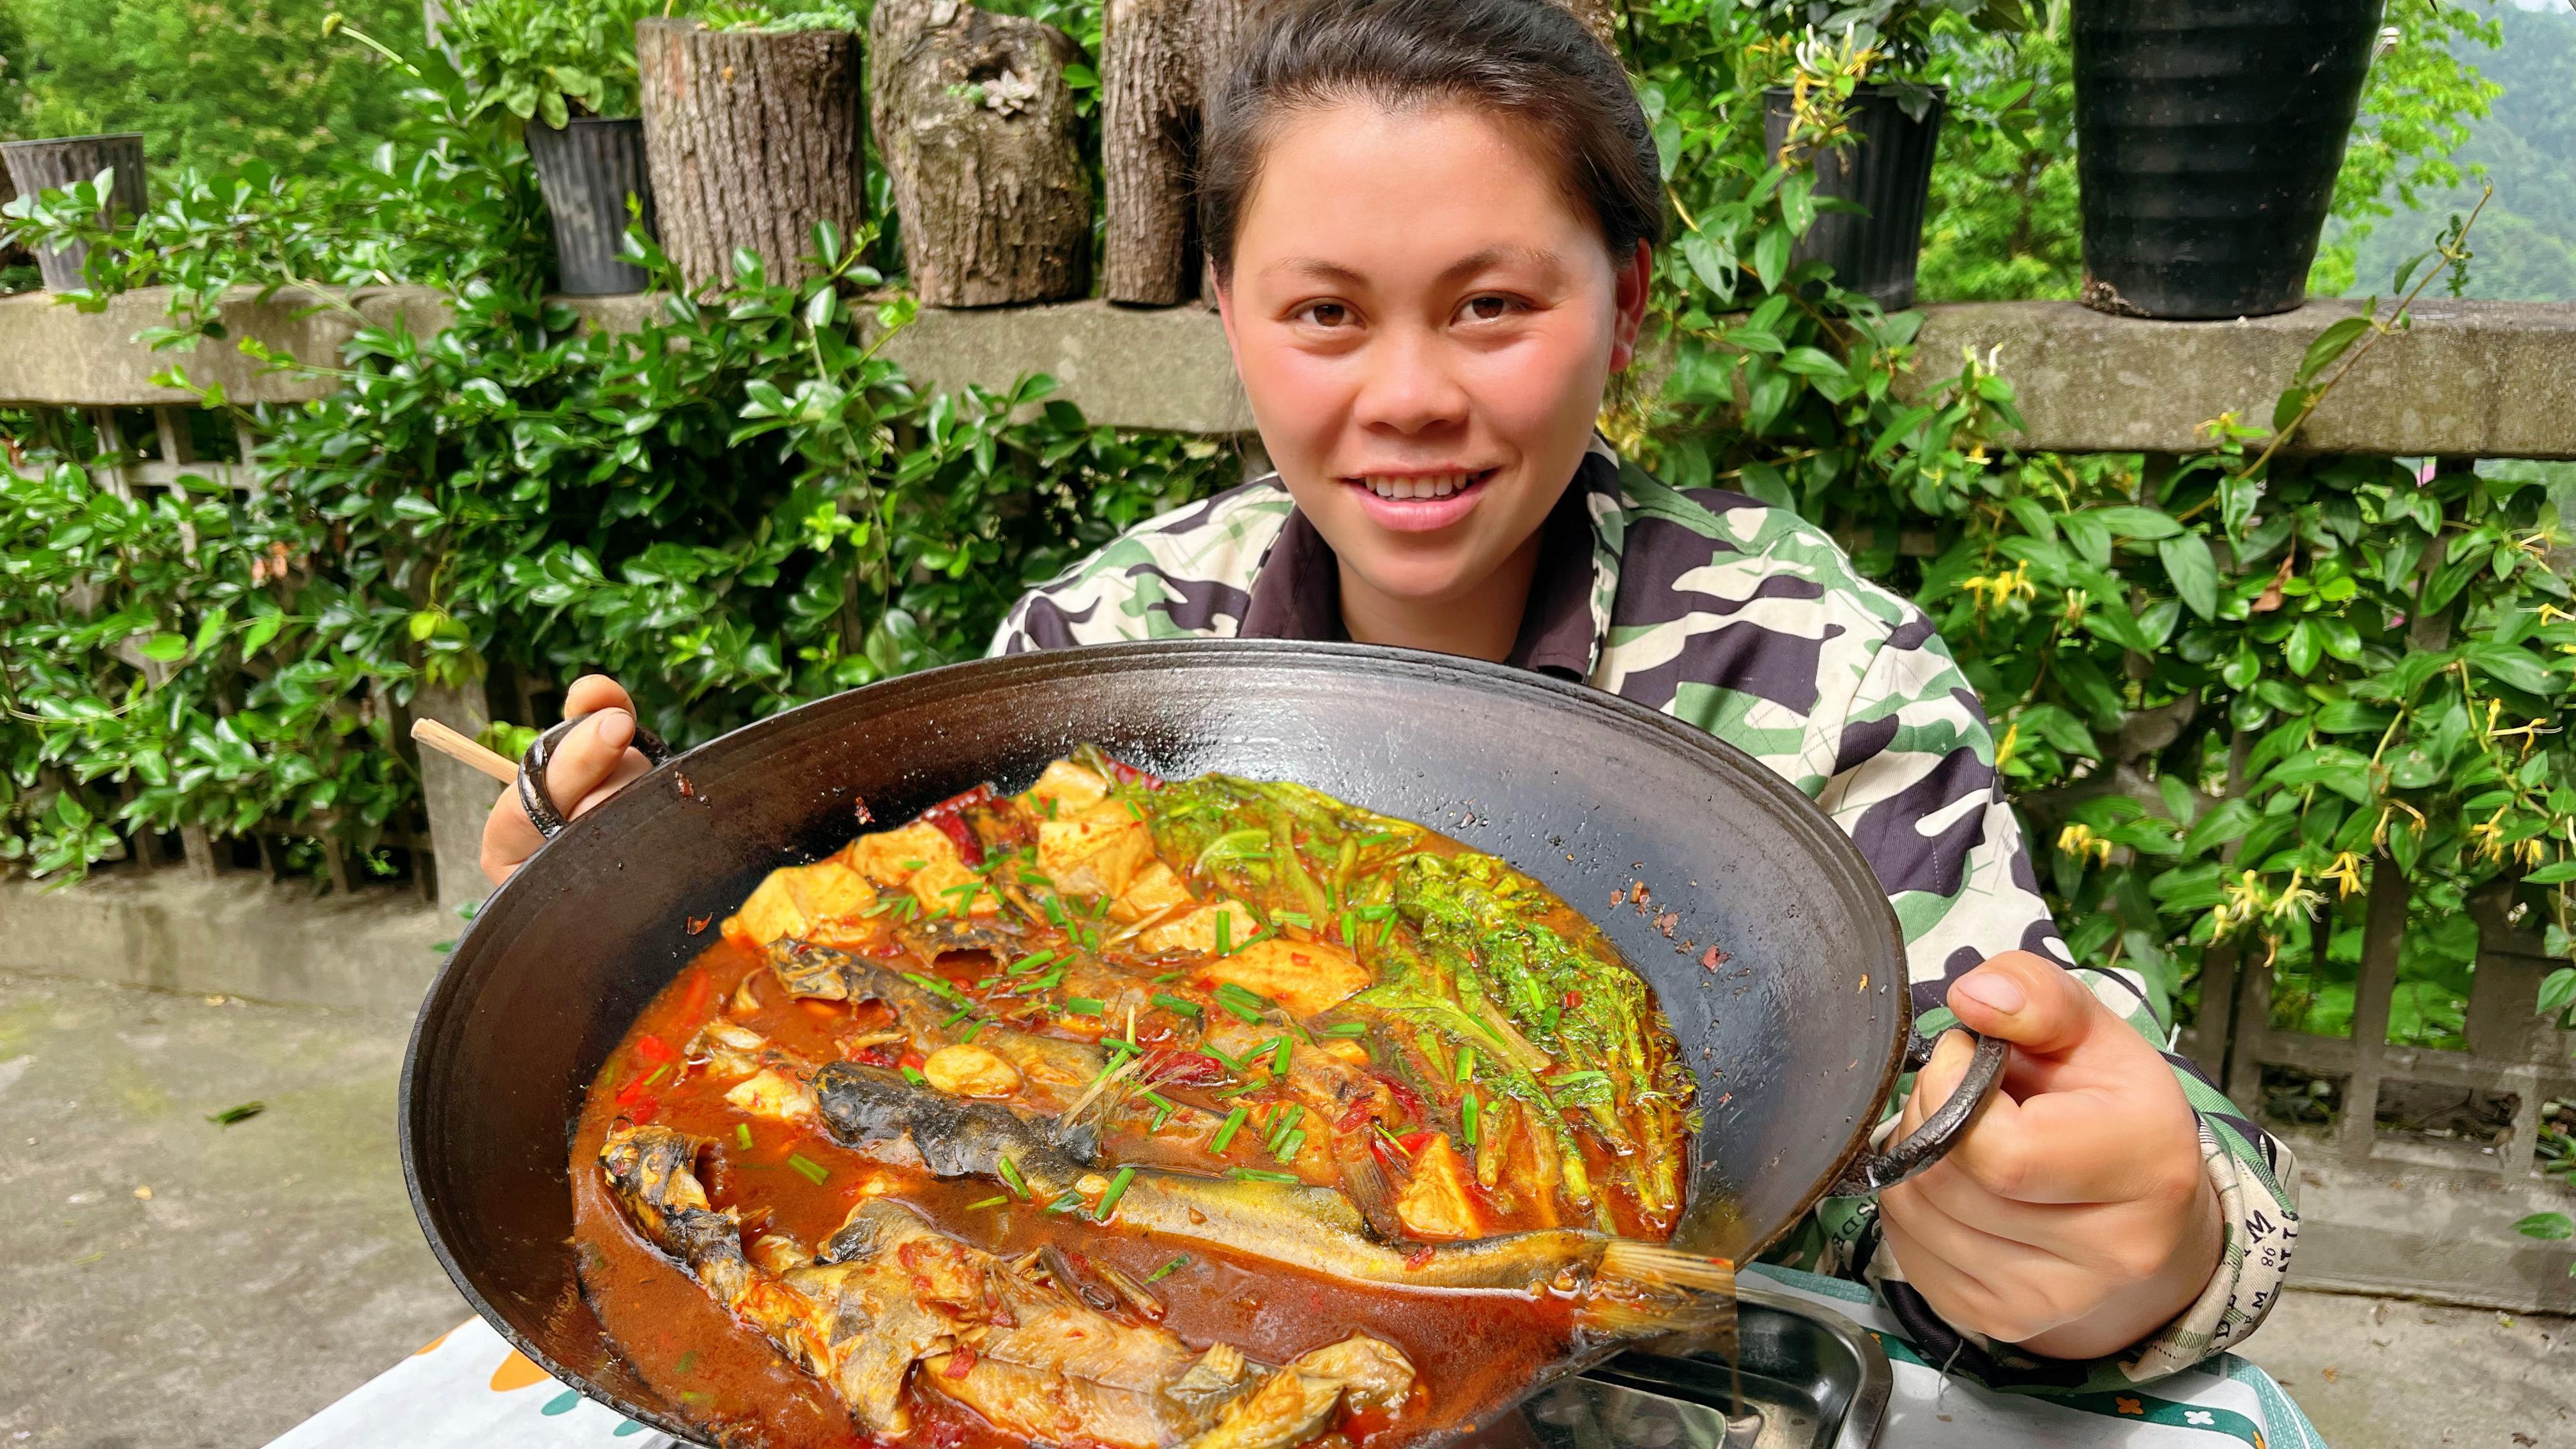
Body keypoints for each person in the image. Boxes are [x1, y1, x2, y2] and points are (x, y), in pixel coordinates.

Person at [482, 0, 2294, 1389]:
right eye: (1327, 313)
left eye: (1494, 304)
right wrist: (589, 907)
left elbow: (2073, 1095)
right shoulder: (1116, 637)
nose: (1410, 394)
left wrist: (2148, 1232)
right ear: (1227, 311)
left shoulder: (1816, 676)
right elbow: (890, 1013)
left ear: (1627, 301)